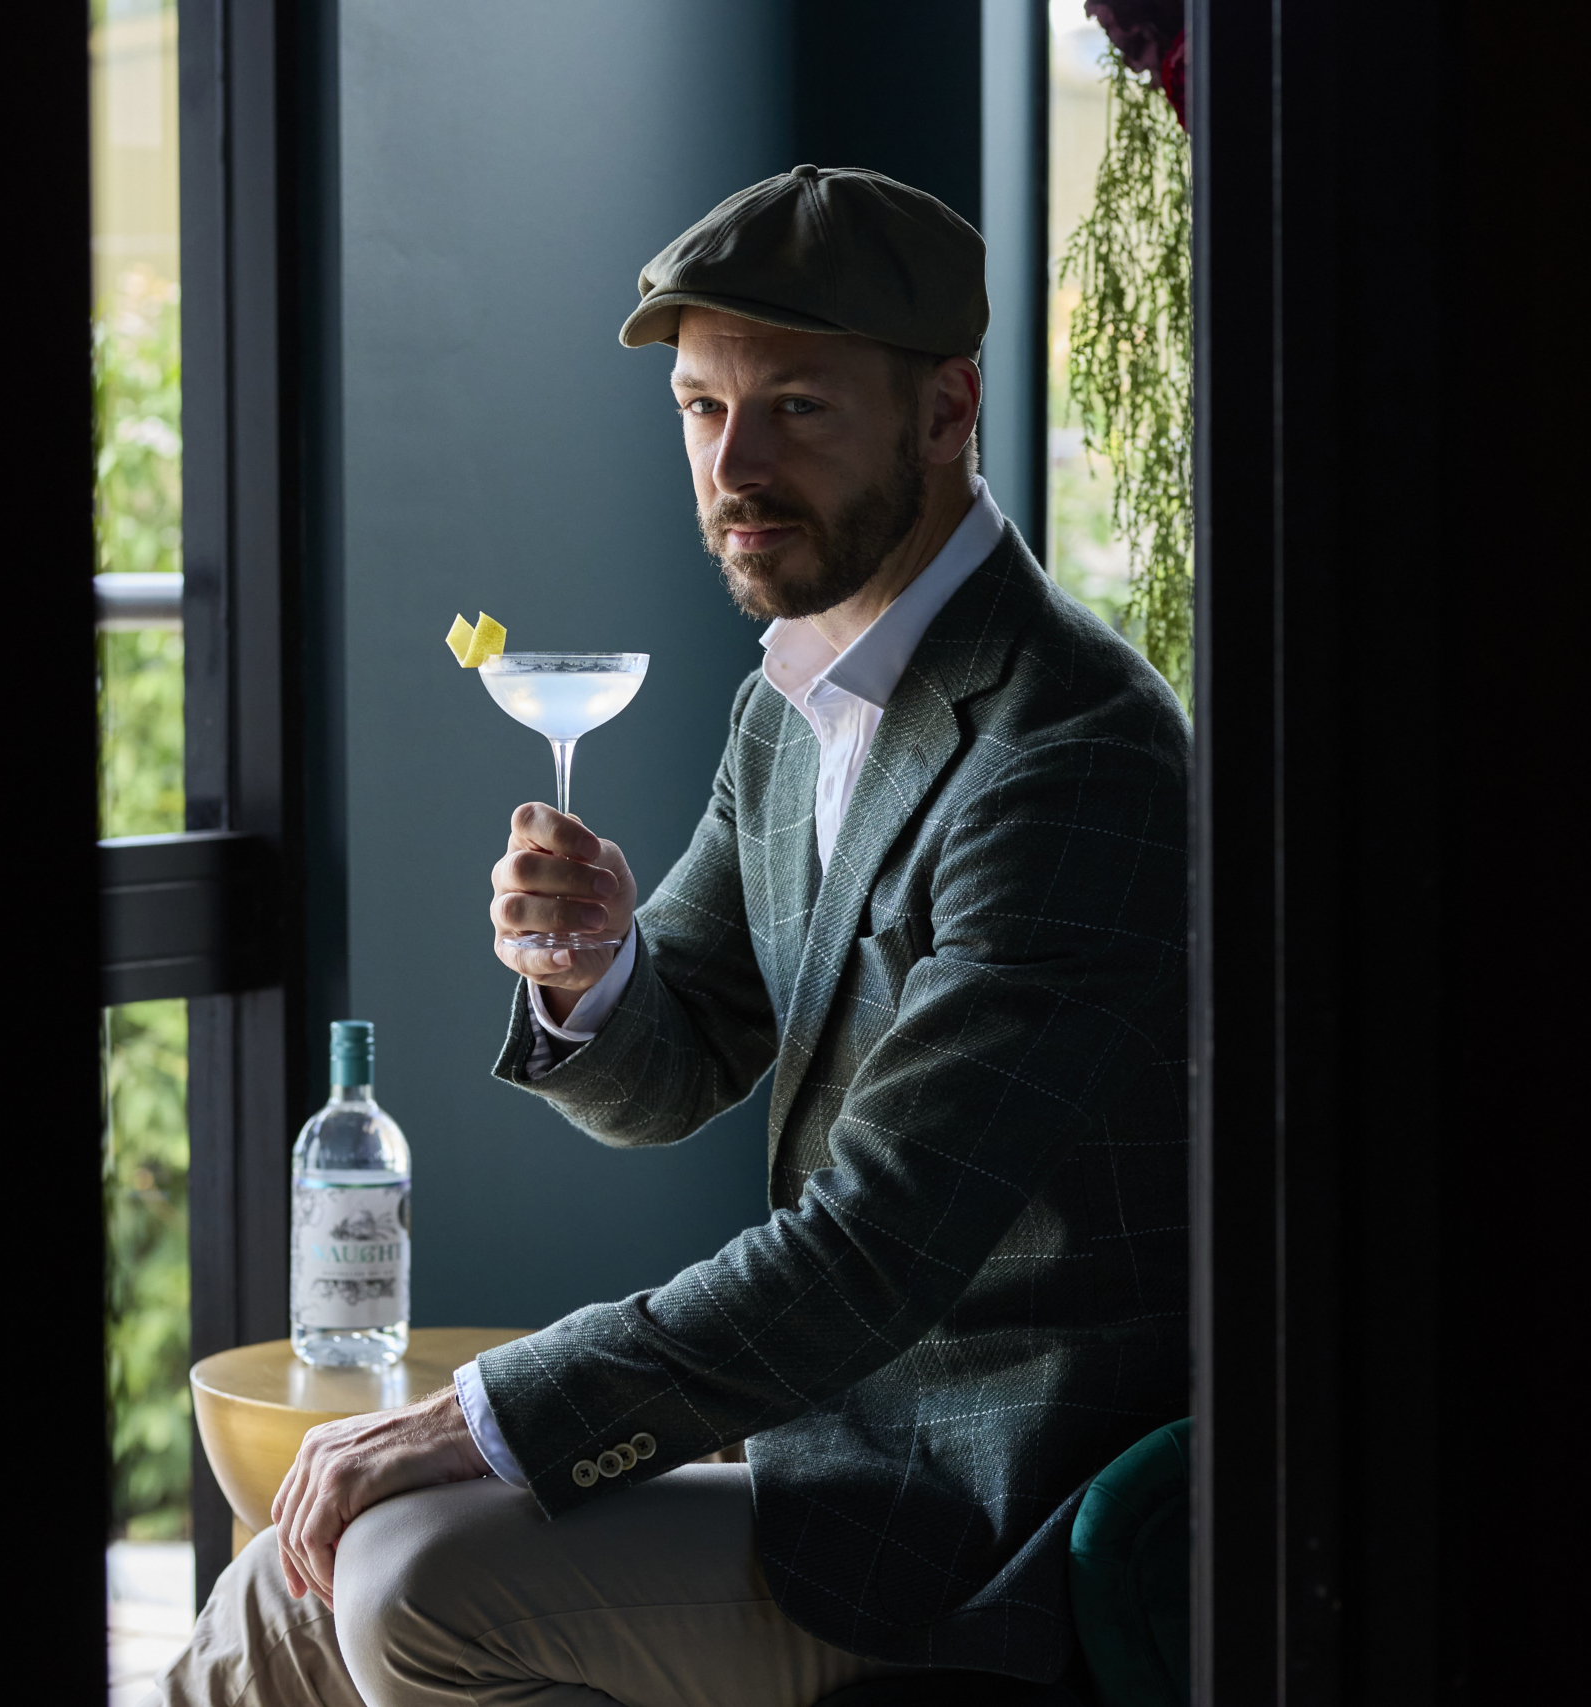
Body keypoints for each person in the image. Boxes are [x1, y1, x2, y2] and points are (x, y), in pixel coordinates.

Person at [147, 166, 1188, 1707]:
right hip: (830, 1450)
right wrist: (595, 977)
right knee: (281, 1579)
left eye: (799, 412)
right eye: (703, 410)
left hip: (984, 1514)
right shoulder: (795, 699)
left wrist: (483, 1410)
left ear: (948, 412)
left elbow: (882, 1241)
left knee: (410, 1579)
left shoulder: (1070, 753)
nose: (734, 466)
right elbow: (675, 1062)